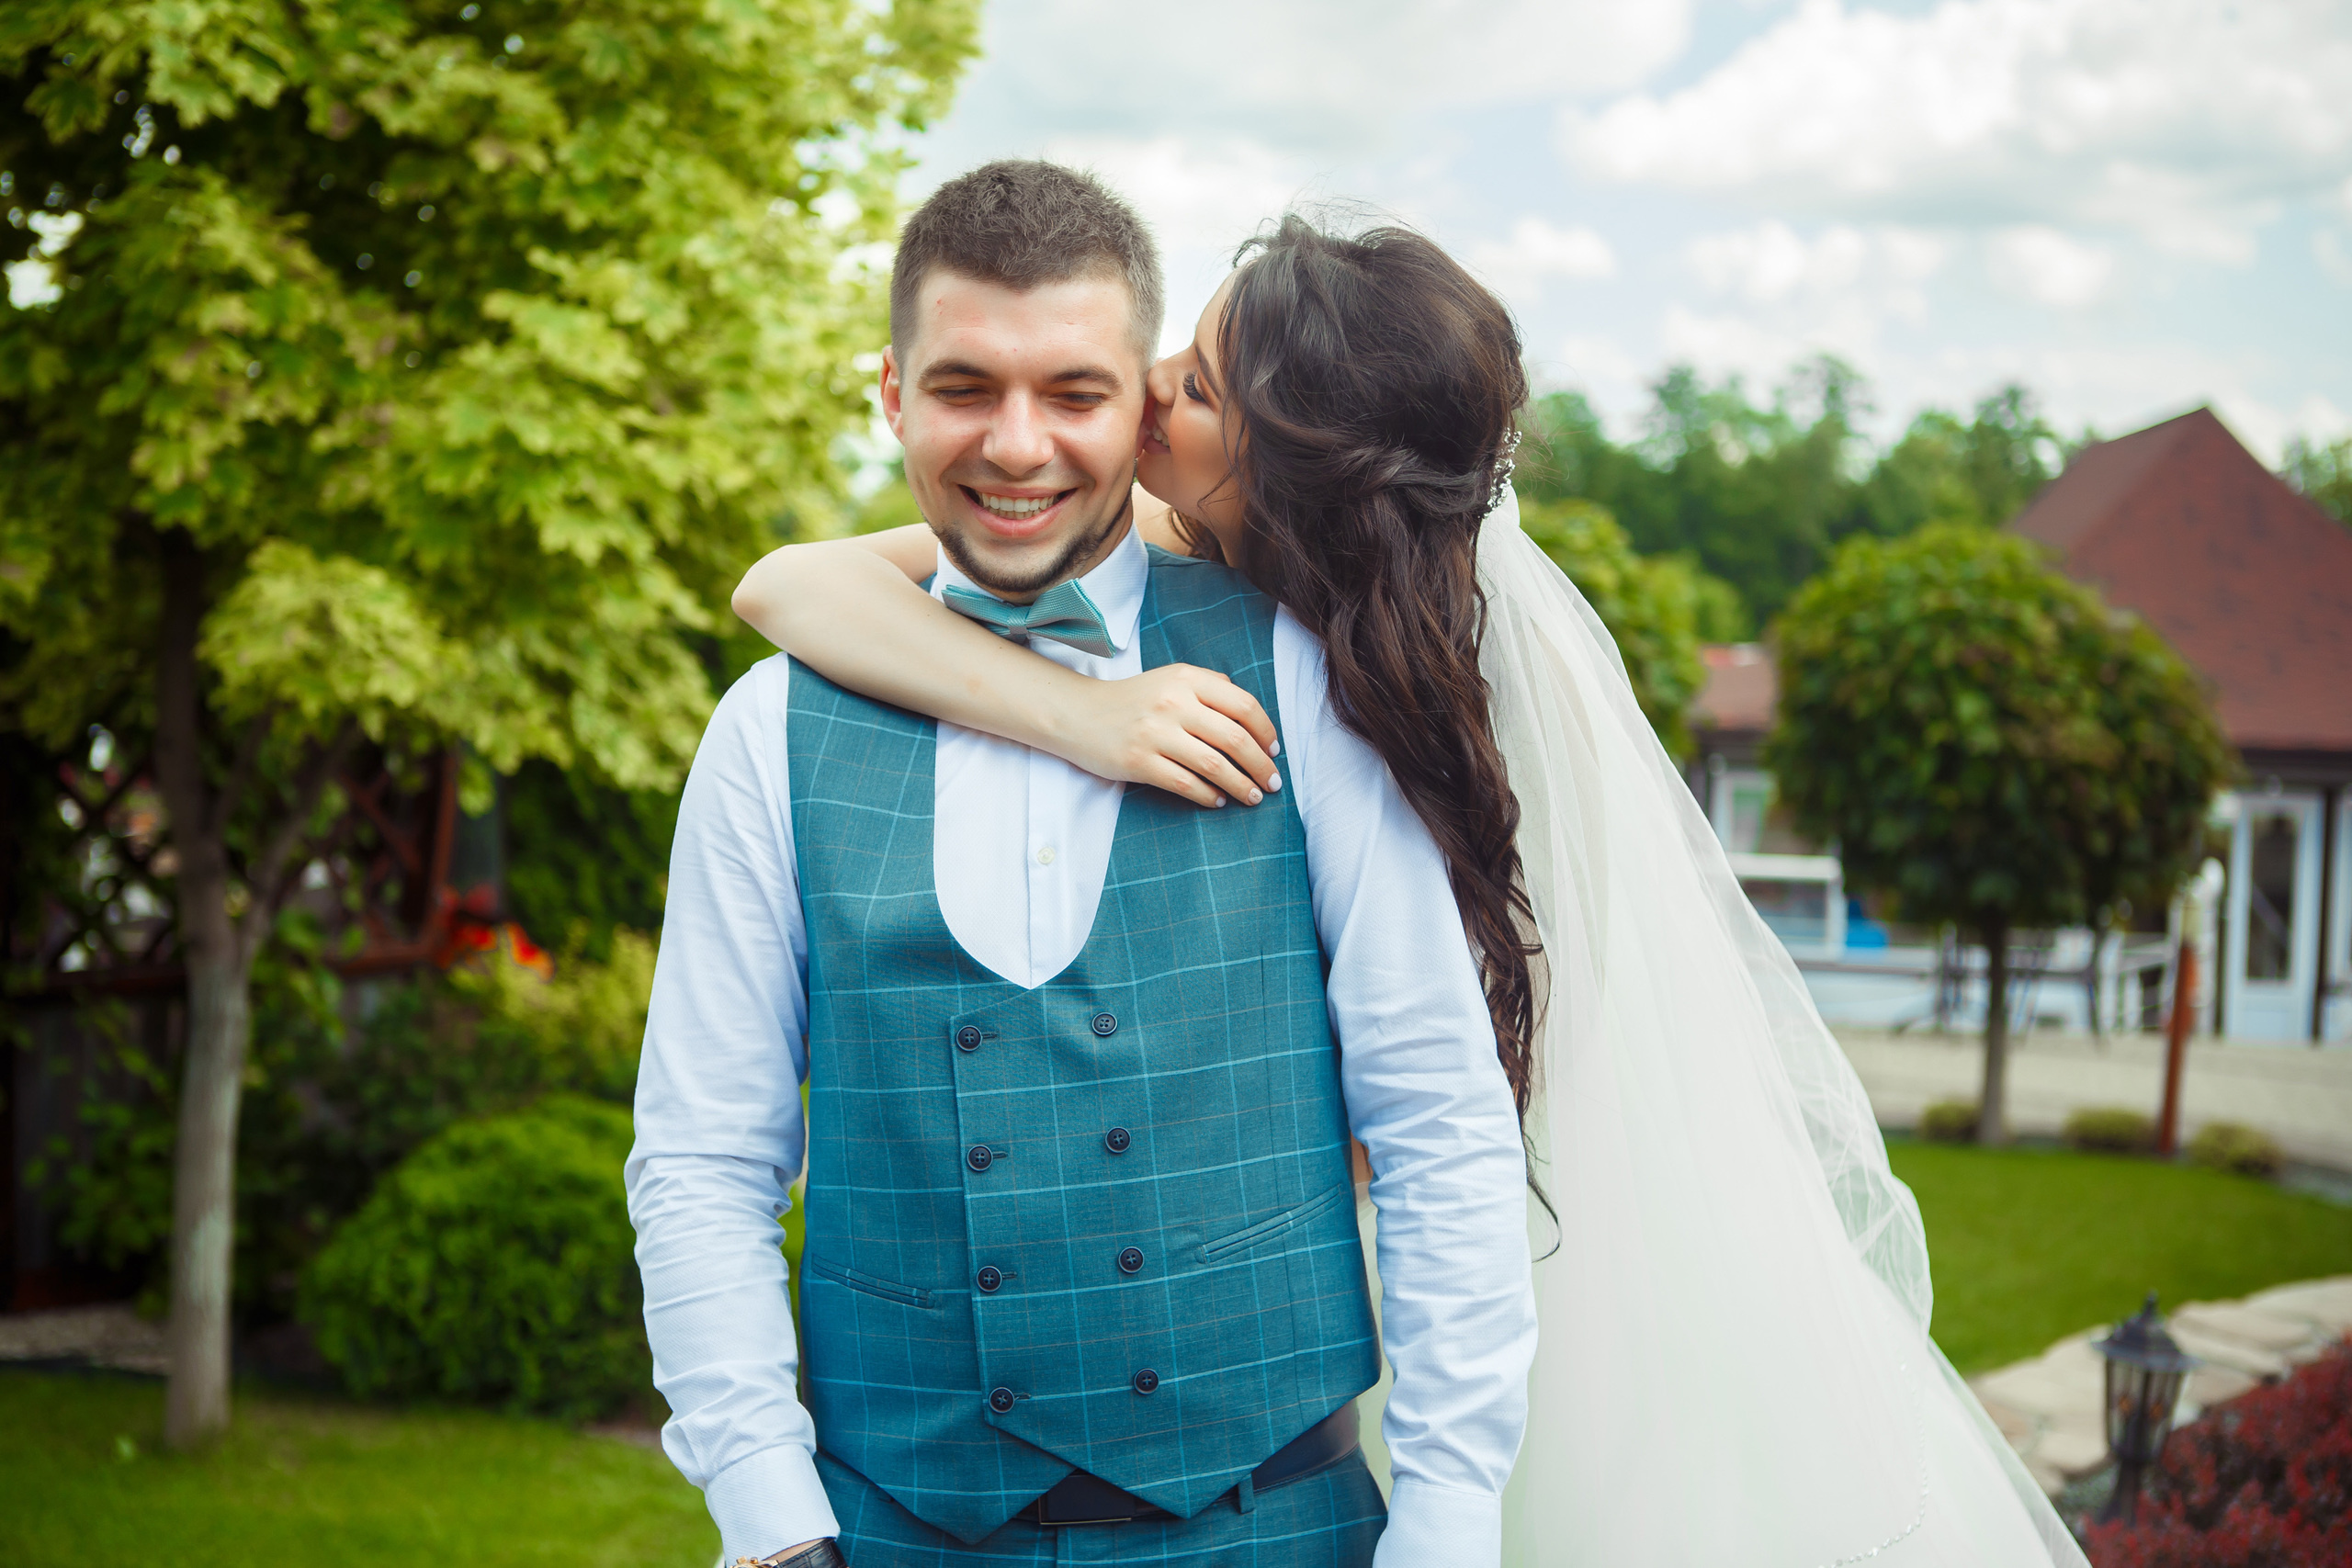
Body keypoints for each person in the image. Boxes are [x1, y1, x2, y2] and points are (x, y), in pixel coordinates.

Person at [727, 179, 2102, 1567]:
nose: (1140, 395)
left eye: (1191, 384)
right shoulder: (1157, 541)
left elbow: (1436, 1114)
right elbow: (790, 586)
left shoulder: (1341, 676)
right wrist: (1085, 716)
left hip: (1482, 1279)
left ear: (1275, 474)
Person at [628, 160, 1537, 1568]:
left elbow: (1436, 1118)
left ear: (1143, 410)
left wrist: (1451, 1516)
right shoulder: (771, 728)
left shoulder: (1303, 676)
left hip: (1277, 1530)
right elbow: (701, 1158)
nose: (1015, 445)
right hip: (881, 1536)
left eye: (1075, 394)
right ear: (889, 393)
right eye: (962, 389)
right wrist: (766, 1520)